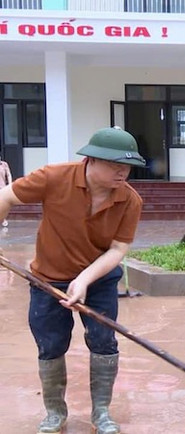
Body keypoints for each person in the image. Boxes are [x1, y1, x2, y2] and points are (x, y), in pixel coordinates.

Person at [0, 127, 145, 434]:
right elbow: (6, 196)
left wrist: (83, 280)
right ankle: (55, 413)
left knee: (104, 342)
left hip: (100, 280)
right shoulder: (54, 177)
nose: (123, 172)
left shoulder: (130, 201)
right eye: (115, 165)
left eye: (128, 166)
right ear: (91, 160)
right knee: (51, 344)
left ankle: (101, 413)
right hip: (46, 278)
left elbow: (118, 249)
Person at [0, 157, 12, 227]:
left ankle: (3, 219)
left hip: (2, 187)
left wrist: (10, 184)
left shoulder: (4, 164)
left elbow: (8, 174)